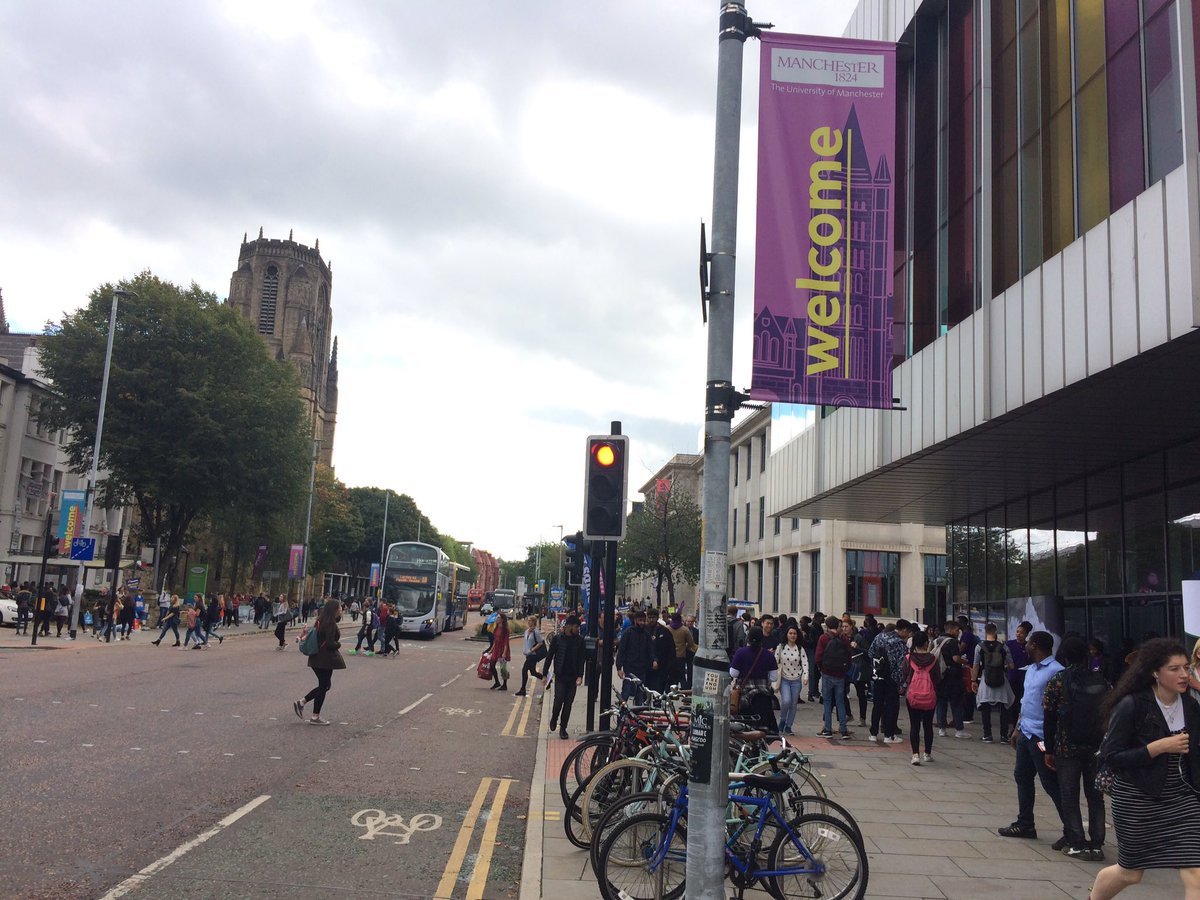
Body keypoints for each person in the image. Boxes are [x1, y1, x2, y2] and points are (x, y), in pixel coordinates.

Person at [1090, 638, 1200, 900]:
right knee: (1131, 873)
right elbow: (1112, 756)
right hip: (1138, 797)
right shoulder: (1133, 705)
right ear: (1155, 672)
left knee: (1196, 870)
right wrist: (1158, 747)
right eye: (1174, 669)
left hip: (1182, 797)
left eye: (1186, 667)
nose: (1184, 674)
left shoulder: (1191, 706)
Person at [998, 631, 1068, 848]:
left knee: (1050, 783)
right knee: (1022, 776)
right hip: (1026, 733)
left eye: (1028, 642)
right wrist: (1017, 728)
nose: (1025, 645)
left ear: (1035, 646)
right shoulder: (1031, 670)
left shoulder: (1056, 672)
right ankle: (1025, 822)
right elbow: (1026, 701)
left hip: (1042, 737)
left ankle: (1071, 828)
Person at [1043, 635, 1109, 862]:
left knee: (1069, 795)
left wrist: (1049, 749)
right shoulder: (1101, 680)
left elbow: (1049, 716)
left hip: (1066, 745)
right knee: (1095, 796)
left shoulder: (1058, 680)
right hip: (1095, 747)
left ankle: (1077, 841)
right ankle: (1097, 842)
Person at [293, 599, 345, 726]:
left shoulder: (321, 620)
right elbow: (330, 643)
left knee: (325, 685)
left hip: (316, 657)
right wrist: (339, 643)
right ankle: (315, 716)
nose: (341, 610)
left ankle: (302, 702)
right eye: (339, 608)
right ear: (334, 609)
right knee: (324, 686)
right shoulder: (330, 623)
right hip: (325, 659)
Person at [868, 619, 913, 744]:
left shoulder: (879, 636)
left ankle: (873, 733)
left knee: (877, 705)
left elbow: (870, 653)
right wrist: (902, 683)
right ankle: (889, 735)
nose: (908, 635)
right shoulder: (899, 643)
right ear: (903, 630)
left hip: (878, 676)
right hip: (892, 679)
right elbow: (902, 665)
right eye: (908, 632)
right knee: (891, 706)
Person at [730, 626, 780, 734]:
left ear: (748, 638)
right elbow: (774, 677)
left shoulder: (740, 652)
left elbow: (733, 673)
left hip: (744, 694)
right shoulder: (768, 655)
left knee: (742, 722)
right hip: (763, 694)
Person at [973, 623, 1015, 742]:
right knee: (1004, 708)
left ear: (986, 632)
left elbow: (976, 665)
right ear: (996, 632)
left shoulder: (979, 647)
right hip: (1001, 680)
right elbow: (1011, 665)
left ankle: (987, 735)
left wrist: (973, 680)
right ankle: (1003, 735)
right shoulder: (1003, 647)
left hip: (985, 680)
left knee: (985, 708)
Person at [905, 630, 941, 764]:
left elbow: (904, 674)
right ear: (927, 643)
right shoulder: (933, 659)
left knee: (914, 725)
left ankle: (915, 755)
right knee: (927, 725)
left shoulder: (909, 658)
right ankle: (927, 753)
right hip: (929, 697)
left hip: (913, 696)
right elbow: (937, 677)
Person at [546, 615, 586, 738]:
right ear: (569, 626)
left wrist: (580, 676)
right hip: (560, 676)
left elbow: (581, 660)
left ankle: (563, 728)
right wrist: (544, 674)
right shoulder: (557, 639)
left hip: (572, 677)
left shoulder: (580, 641)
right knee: (558, 701)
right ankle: (554, 718)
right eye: (576, 626)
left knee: (568, 704)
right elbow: (550, 656)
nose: (578, 629)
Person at [815, 618, 853, 739]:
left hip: (827, 673)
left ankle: (828, 729)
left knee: (827, 701)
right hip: (840, 675)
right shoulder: (844, 639)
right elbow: (849, 656)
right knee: (840, 701)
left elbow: (818, 657)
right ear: (837, 625)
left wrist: (822, 668)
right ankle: (843, 730)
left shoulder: (824, 638)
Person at [933, 620, 969, 739]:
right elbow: (956, 659)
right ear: (952, 629)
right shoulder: (953, 642)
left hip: (940, 674)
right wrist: (965, 662)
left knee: (941, 702)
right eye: (957, 630)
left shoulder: (936, 640)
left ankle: (942, 728)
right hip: (953, 675)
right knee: (956, 702)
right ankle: (959, 729)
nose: (958, 633)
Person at [616, 609, 658, 700]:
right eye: (640, 620)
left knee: (640, 692)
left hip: (642, 667)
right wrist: (619, 668)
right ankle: (623, 710)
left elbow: (650, 650)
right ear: (635, 620)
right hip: (629, 667)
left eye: (643, 620)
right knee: (626, 691)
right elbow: (621, 651)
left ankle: (638, 710)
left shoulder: (646, 634)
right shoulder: (628, 633)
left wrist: (654, 660)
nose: (642, 623)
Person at [776, 625, 808, 734]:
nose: (792, 635)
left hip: (796, 679)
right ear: (786, 634)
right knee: (786, 701)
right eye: (790, 633)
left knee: (793, 704)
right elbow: (775, 662)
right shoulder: (780, 647)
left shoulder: (800, 648)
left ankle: (788, 726)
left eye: (794, 633)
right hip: (784, 678)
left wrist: (805, 676)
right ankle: (782, 720)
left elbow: (805, 662)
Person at [514, 616, 546, 697]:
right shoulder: (526, 631)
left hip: (533, 655)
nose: (528, 622)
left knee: (524, 670)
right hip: (528, 655)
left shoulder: (536, 632)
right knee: (533, 672)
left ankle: (523, 689)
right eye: (528, 620)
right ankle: (547, 680)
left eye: (530, 621)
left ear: (534, 622)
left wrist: (533, 649)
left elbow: (540, 643)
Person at [486, 611, 511, 691]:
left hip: (502, 649)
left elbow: (506, 642)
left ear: (502, 620)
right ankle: (497, 682)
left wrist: (504, 653)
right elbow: (495, 640)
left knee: (503, 668)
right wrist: (491, 650)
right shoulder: (496, 627)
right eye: (497, 618)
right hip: (496, 648)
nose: (496, 619)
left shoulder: (506, 630)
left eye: (498, 618)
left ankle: (504, 684)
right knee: (492, 665)